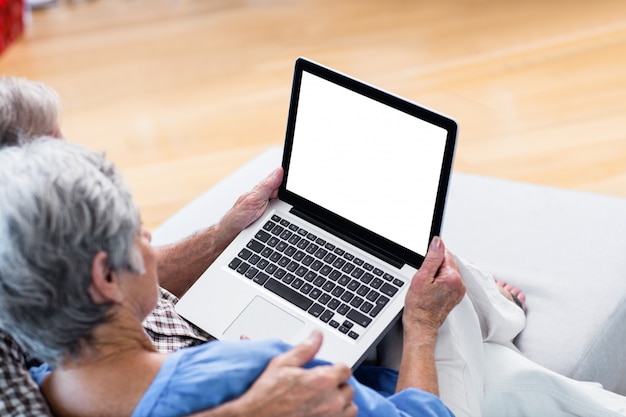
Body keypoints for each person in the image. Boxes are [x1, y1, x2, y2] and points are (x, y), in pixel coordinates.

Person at [0, 138, 462, 416]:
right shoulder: (263, 372)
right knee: (443, 297)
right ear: (104, 277)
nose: (147, 236)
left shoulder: (49, 385)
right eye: (134, 229)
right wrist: (422, 327)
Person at [0, 76, 357, 417]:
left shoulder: (56, 373)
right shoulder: (244, 374)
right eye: (58, 152)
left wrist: (223, 236)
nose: (81, 156)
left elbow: (110, 273)